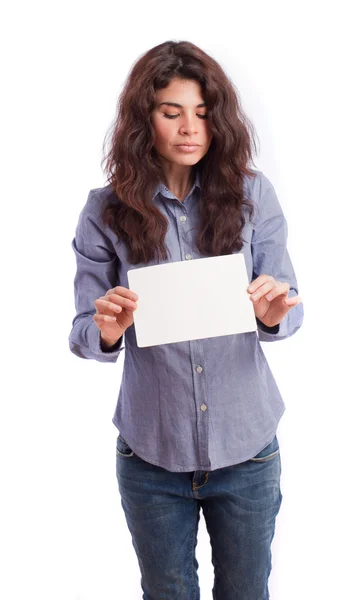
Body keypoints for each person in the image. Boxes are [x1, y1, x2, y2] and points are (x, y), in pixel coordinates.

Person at [69, 40, 303, 600]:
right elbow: (82, 330)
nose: (189, 128)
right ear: (142, 119)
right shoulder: (105, 211)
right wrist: (105, 329)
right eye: (171, 112)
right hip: (152, 453)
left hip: (247, 449)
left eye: (202, 113)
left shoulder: (251, 195)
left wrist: (274, 313)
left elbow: (291, 306)